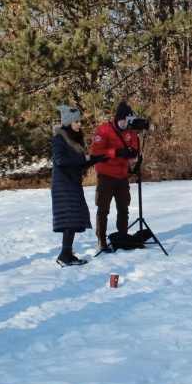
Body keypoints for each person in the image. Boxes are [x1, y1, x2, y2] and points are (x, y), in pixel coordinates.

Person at [51, 105, 107, 266]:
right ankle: (64, 254)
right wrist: (85, 159)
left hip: (73, 182)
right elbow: (61, 161)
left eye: (79, 121)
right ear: (68, 122)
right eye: (76, 121)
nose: (79, 124)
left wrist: (96, 159)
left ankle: (67, 253)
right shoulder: (59, 139)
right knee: (70, 218)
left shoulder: (76, 139)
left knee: (75, 218)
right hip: (63, 184)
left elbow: (79, 164)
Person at [90, 101, 140, 252]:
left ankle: (122, 235)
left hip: (122, 175)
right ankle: (101, 239)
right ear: (118, 118)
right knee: (103, 208)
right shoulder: (104, 130)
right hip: (106, 175)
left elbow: (136, 151)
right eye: (125, 120)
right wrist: (117, 153)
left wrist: (133, 154)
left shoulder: (132, 132)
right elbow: (96, 153)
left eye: (129, 120)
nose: (127, 123)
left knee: (123, 207)